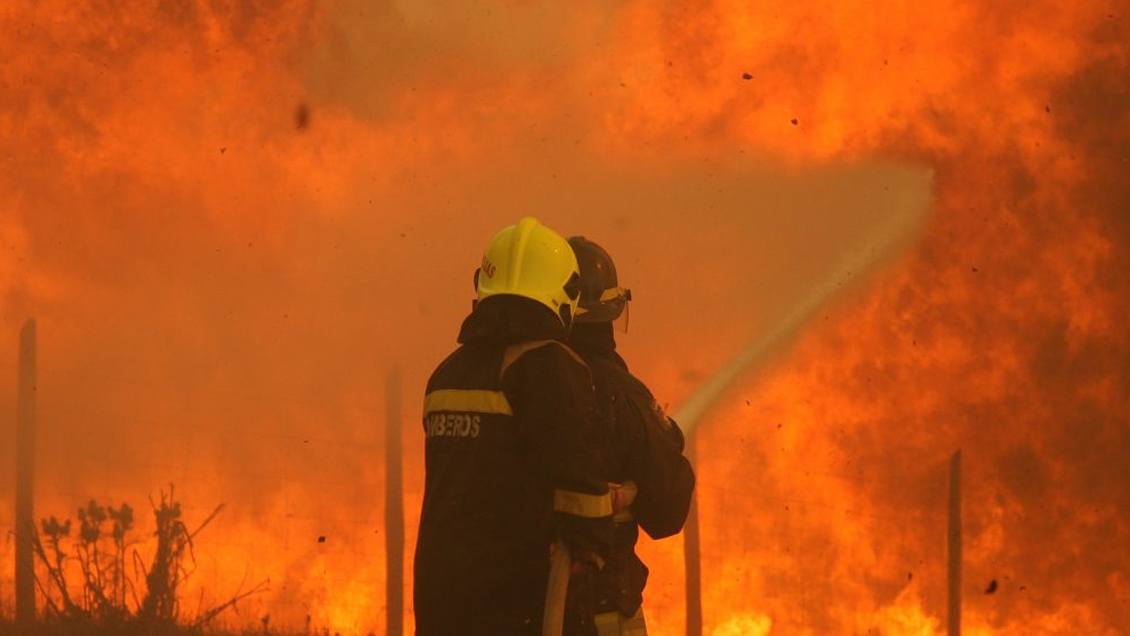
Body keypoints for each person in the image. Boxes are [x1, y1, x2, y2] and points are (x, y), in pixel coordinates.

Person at [414, 217, 614, 636]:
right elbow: (583, 493)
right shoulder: (548, 366)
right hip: (519, 609)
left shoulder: (447, 373)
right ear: (565, 294)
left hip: (441, 605)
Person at [565, 236, 696, 636]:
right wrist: (668, 441)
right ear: (611, 311)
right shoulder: (617, 392)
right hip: (602, 610)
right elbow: (668, 510)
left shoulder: (518, 379)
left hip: (522, 609)